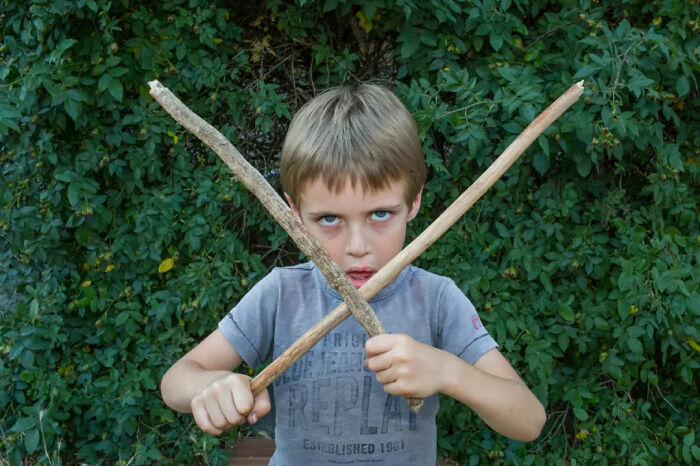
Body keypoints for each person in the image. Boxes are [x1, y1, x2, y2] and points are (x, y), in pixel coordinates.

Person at [160, 83, 546, 465]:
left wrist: (450, 372)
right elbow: (177, 379)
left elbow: (528, 420)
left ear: (414, 201)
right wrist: (210, 386)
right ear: (294, 213)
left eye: (380, 214)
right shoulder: (282, 294)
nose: (357, 245)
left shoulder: (437, 299)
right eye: (329, 219)